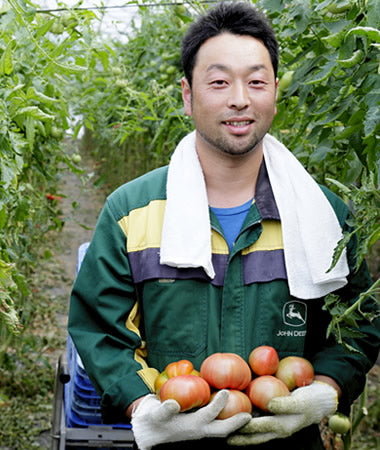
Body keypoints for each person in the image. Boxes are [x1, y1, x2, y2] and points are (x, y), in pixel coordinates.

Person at [68, 2, 380, 449]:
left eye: (256, 81)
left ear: (275, 91)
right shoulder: (131, 213)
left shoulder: (322, 215)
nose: (239, 98)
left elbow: (357, 323)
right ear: (187, 95)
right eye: (218, 82)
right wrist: (144, 406)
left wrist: (327, 387)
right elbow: (100, 331)